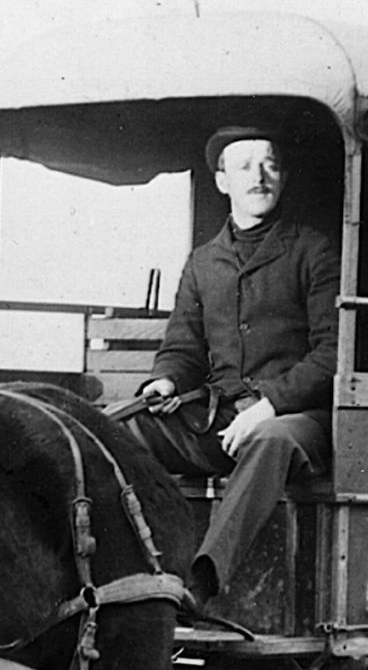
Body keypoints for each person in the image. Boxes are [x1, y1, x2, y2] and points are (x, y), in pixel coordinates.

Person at [132, 126, 339, 608]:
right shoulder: (204, 262)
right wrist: (164, 380)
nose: (259, 176)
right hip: (221, 420)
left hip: (301, 423)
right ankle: (128, 575)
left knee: (270, 441)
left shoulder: (313, 251)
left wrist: (269, 407)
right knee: (127, 429)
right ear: (222, 181)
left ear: (283, 177)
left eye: (269, 164)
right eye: (244, 166)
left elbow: (331, 355)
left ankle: (202, 582)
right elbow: (183, 348)